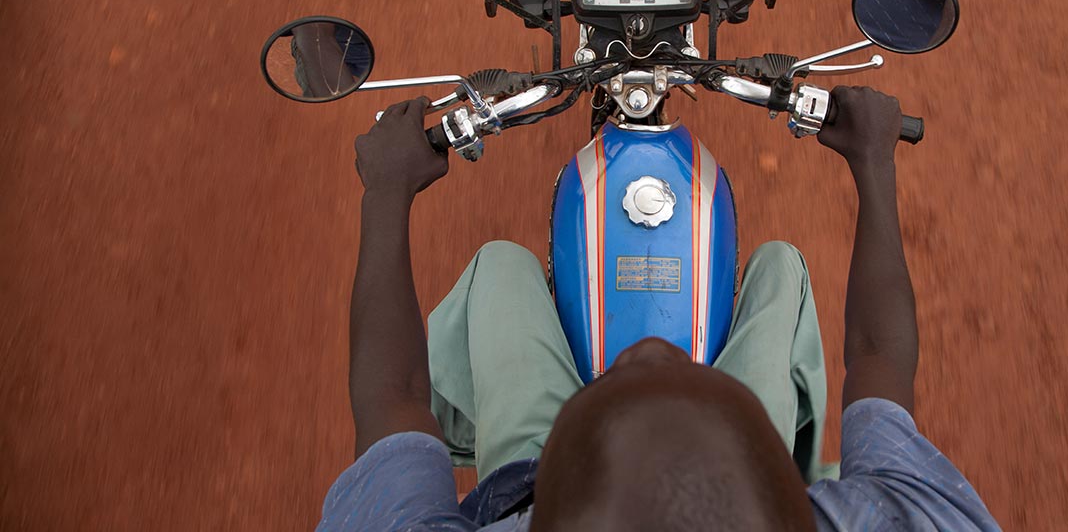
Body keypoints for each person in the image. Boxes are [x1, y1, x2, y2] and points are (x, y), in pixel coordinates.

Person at [316, 87, 1000, 531]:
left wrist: (386, 192)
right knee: (783, 268)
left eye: (618, 376)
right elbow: (879, 359)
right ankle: (791, 458)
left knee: (500, 265)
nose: (652, 347)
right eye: (687, 370)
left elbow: (394, 395)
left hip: (530, 484)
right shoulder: (913, 519)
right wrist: (874, 161)